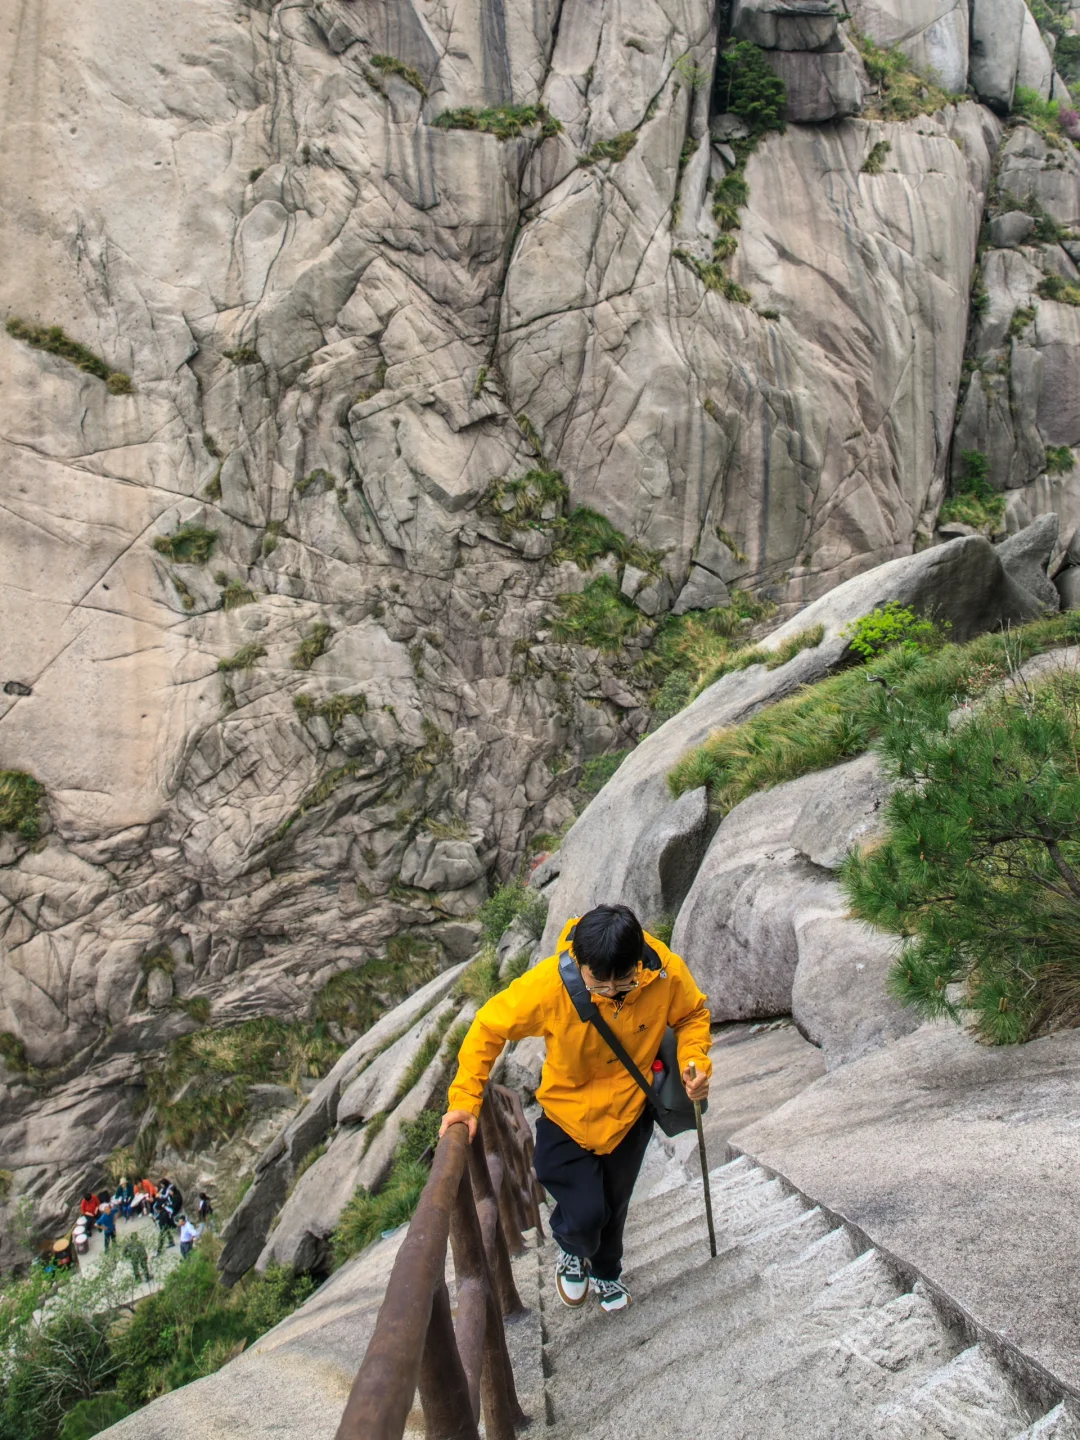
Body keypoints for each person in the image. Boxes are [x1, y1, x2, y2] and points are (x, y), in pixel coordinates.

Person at [442, 904, 711, 1315]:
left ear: (638, 960)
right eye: (598, 983)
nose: (611, 991)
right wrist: (464, 1099)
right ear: (580, 963)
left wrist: (696, 1062)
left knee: (615, 1205)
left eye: (623, 981)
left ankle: (606, 1272)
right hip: (566, 1116)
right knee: (586, 1213)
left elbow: (692, 1014)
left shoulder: (664, 973)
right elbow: (488, 1026)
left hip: (628, 1115)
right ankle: (571, 1248)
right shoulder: (551, 986)